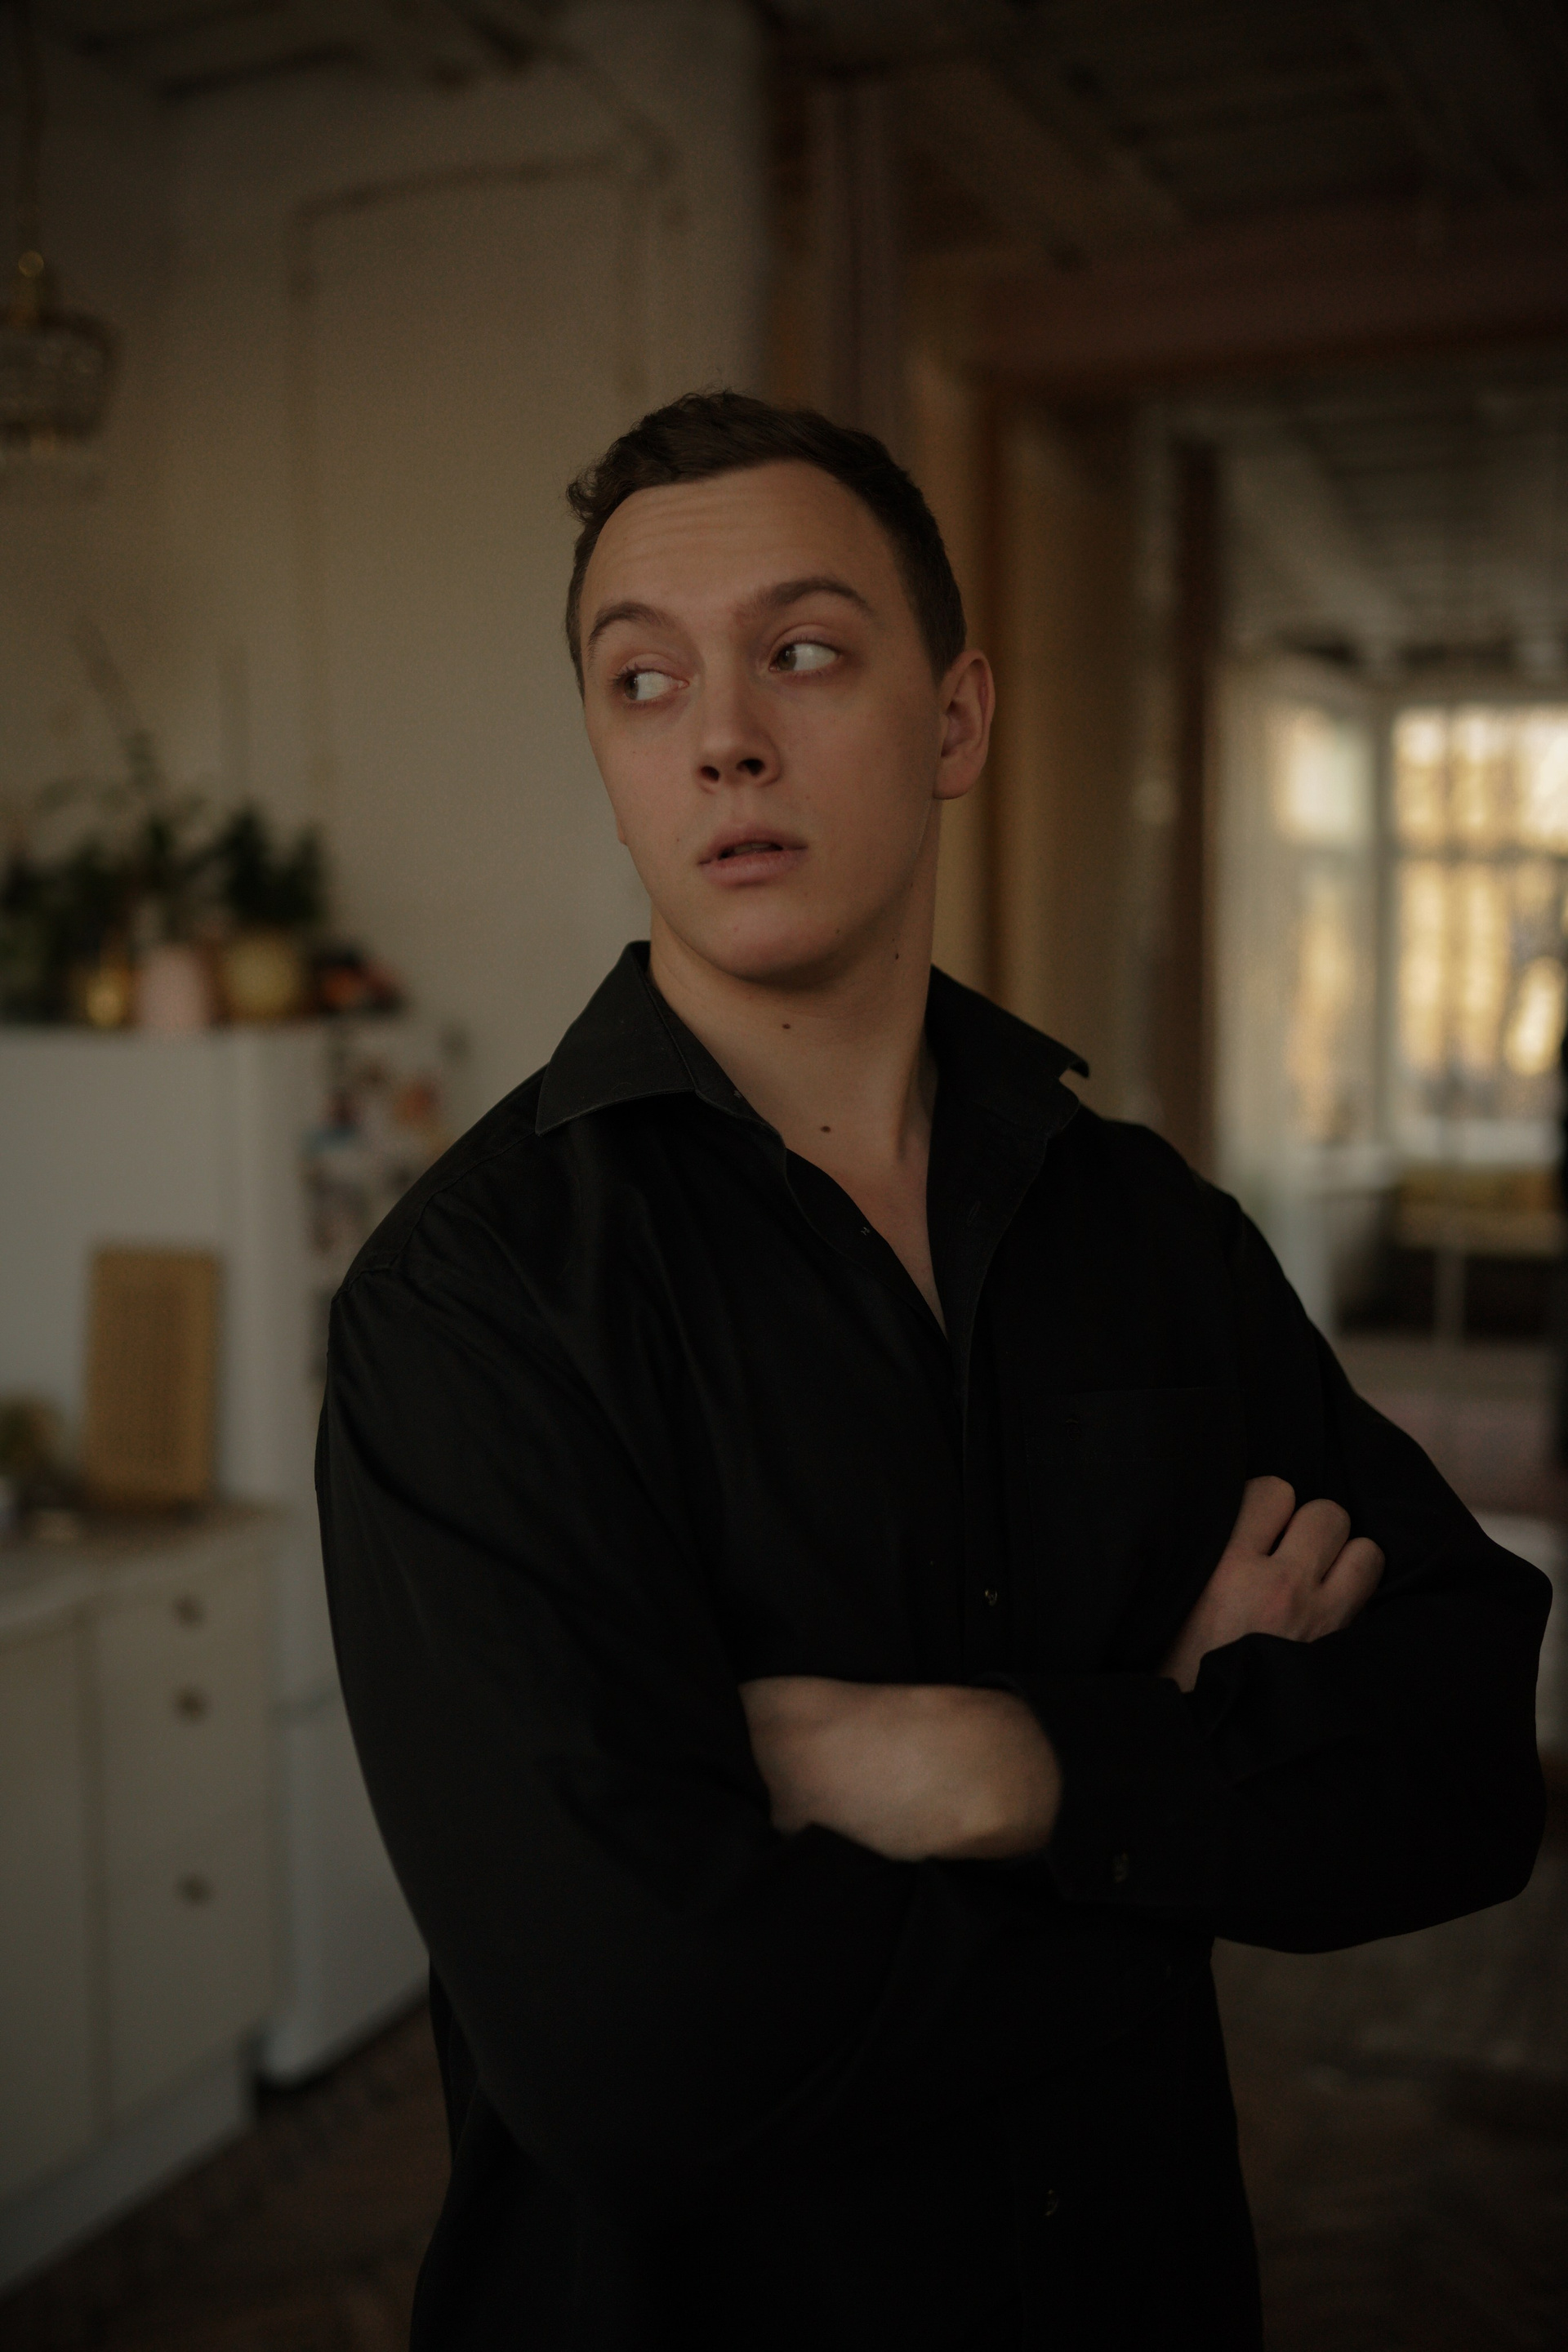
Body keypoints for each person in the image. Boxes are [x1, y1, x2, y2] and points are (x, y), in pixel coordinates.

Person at [318, 392, 1549, 2351]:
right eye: (644, 681)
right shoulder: (472, 1308)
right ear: (610, 757)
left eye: (803, 653)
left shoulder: (1151, 1232)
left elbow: (1466, 1768)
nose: (724, 734)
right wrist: (1168, 1768)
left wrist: (999, 1768)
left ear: (957, 720)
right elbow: (644, 2048)